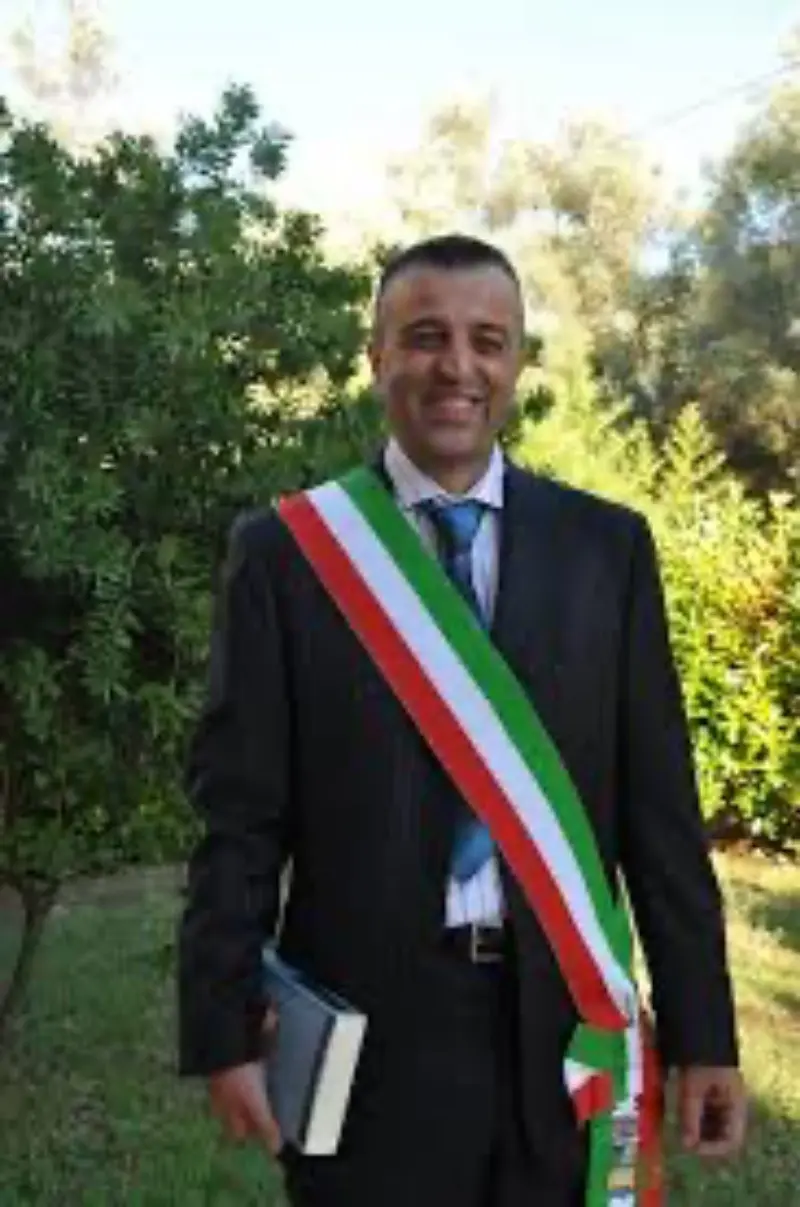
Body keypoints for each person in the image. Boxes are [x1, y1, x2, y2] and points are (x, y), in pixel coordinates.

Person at [177, 233, 746, 1207]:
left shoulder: (606, 548)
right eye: (425, 336)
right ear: (376, 357)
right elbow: (239, 815)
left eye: (487, 340)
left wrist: (703, 1034)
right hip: (368, 1030)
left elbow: (660, 815)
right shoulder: (286, 553)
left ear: (517, 361)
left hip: (567, 1023)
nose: (457, 367)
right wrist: (222, 1029)